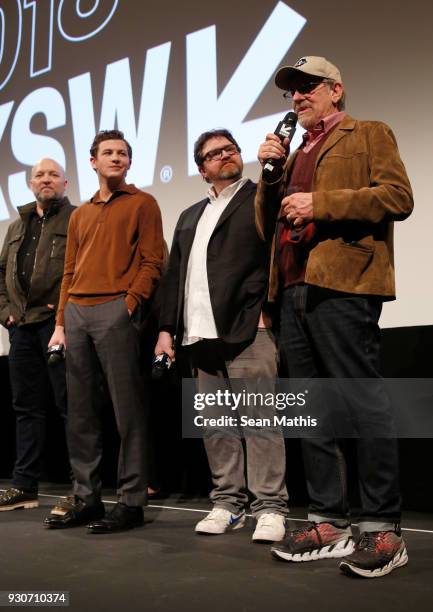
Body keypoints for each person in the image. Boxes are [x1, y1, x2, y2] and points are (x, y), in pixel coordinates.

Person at [255, 56, 413, 577]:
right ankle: (328, 521)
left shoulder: (367, 133)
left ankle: (381, 529)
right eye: (292, 91)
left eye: (307, 87)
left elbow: (397, 197)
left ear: (336, 90)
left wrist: (321, 204)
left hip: (344, 284)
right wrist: (269, 175)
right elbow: (266, 225)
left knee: (362, 402)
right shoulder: (291, 152)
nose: (298, 96)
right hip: (293, 289)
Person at [155, 129, 288, 542]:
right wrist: (165, 329)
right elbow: (176, 275)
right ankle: (228, 502)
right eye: (214, 154)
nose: (224, 156)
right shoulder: (190, 214)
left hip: (248, 327)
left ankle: (270, 506)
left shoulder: (259, 196)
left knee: (260, 420)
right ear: (201, 169)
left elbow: (274, 252)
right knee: (216, 426)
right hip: (197, 335)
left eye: (230, 149)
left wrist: (265, 306)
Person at [43, 130, 164, 533]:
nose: (116, 157)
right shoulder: (80, 213)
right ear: (93, 161)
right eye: (108, 152)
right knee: (80, 413)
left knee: (126, 411)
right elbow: (69, 271)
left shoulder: (143, 203)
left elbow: (152, 262)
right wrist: (61, 321)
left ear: (129, 162)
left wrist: (127, 305)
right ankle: (87, 496)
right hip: (77, 312)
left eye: (123, 153)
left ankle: (130, 501)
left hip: (115, 310)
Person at [0, 159, 74, 511]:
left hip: (59, 325)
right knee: (25, 408)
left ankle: (82, 485)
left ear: (65, 183)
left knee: (70, 407)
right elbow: (1, 275)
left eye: (53, 175)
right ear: (30, 184)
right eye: (39, 175)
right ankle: (24, 485)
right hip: (23, 329)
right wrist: (6, 313)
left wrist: (66, 317)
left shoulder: (77, 218)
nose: (46, 180)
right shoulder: (16, 227)